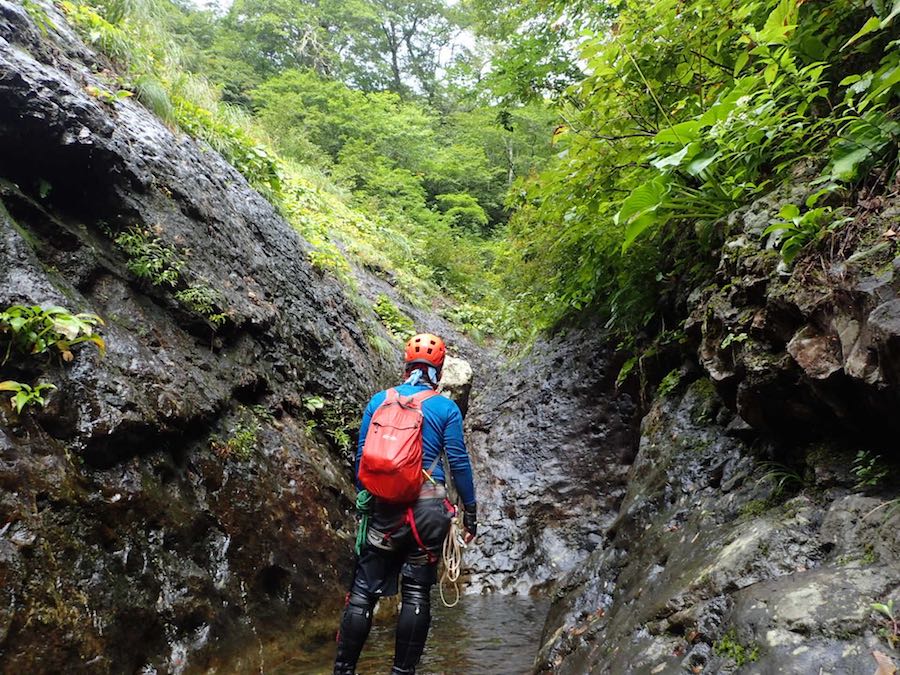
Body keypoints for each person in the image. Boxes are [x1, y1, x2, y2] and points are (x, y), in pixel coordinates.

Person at [333, 332, 477, 675]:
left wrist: (370, 497)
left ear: (406, 366)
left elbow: (362, 459)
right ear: (438, 371)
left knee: (363, 592)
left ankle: (343, 670)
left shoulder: (379, 401)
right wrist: (470, 513)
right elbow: (458, 463)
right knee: (415, 595)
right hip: (427, 512)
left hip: (385, 510)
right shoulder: (445, 408)